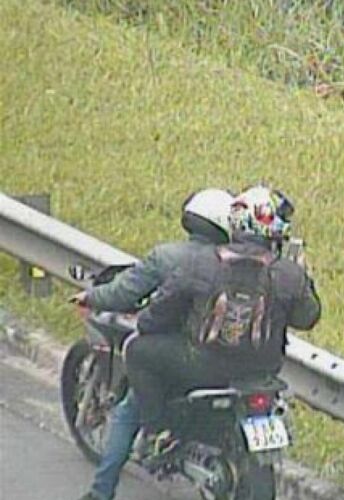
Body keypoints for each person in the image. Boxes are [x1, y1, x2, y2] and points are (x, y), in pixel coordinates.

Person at [124, 186, 321, 458]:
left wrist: (146, 322)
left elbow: (160, 313)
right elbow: (307, 318)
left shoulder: (201, 262)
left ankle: (159, 429)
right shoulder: (288, 273)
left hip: (205, 366)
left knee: (137, 350)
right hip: (262, 369)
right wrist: (304, 278)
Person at [76, 188, 235, 500]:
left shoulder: (168, 257)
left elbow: (124, 294)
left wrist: (91, 296)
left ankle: (101, 490)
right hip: (230, 358)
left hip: (179, 357)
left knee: (128, 409)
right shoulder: (237, 263)